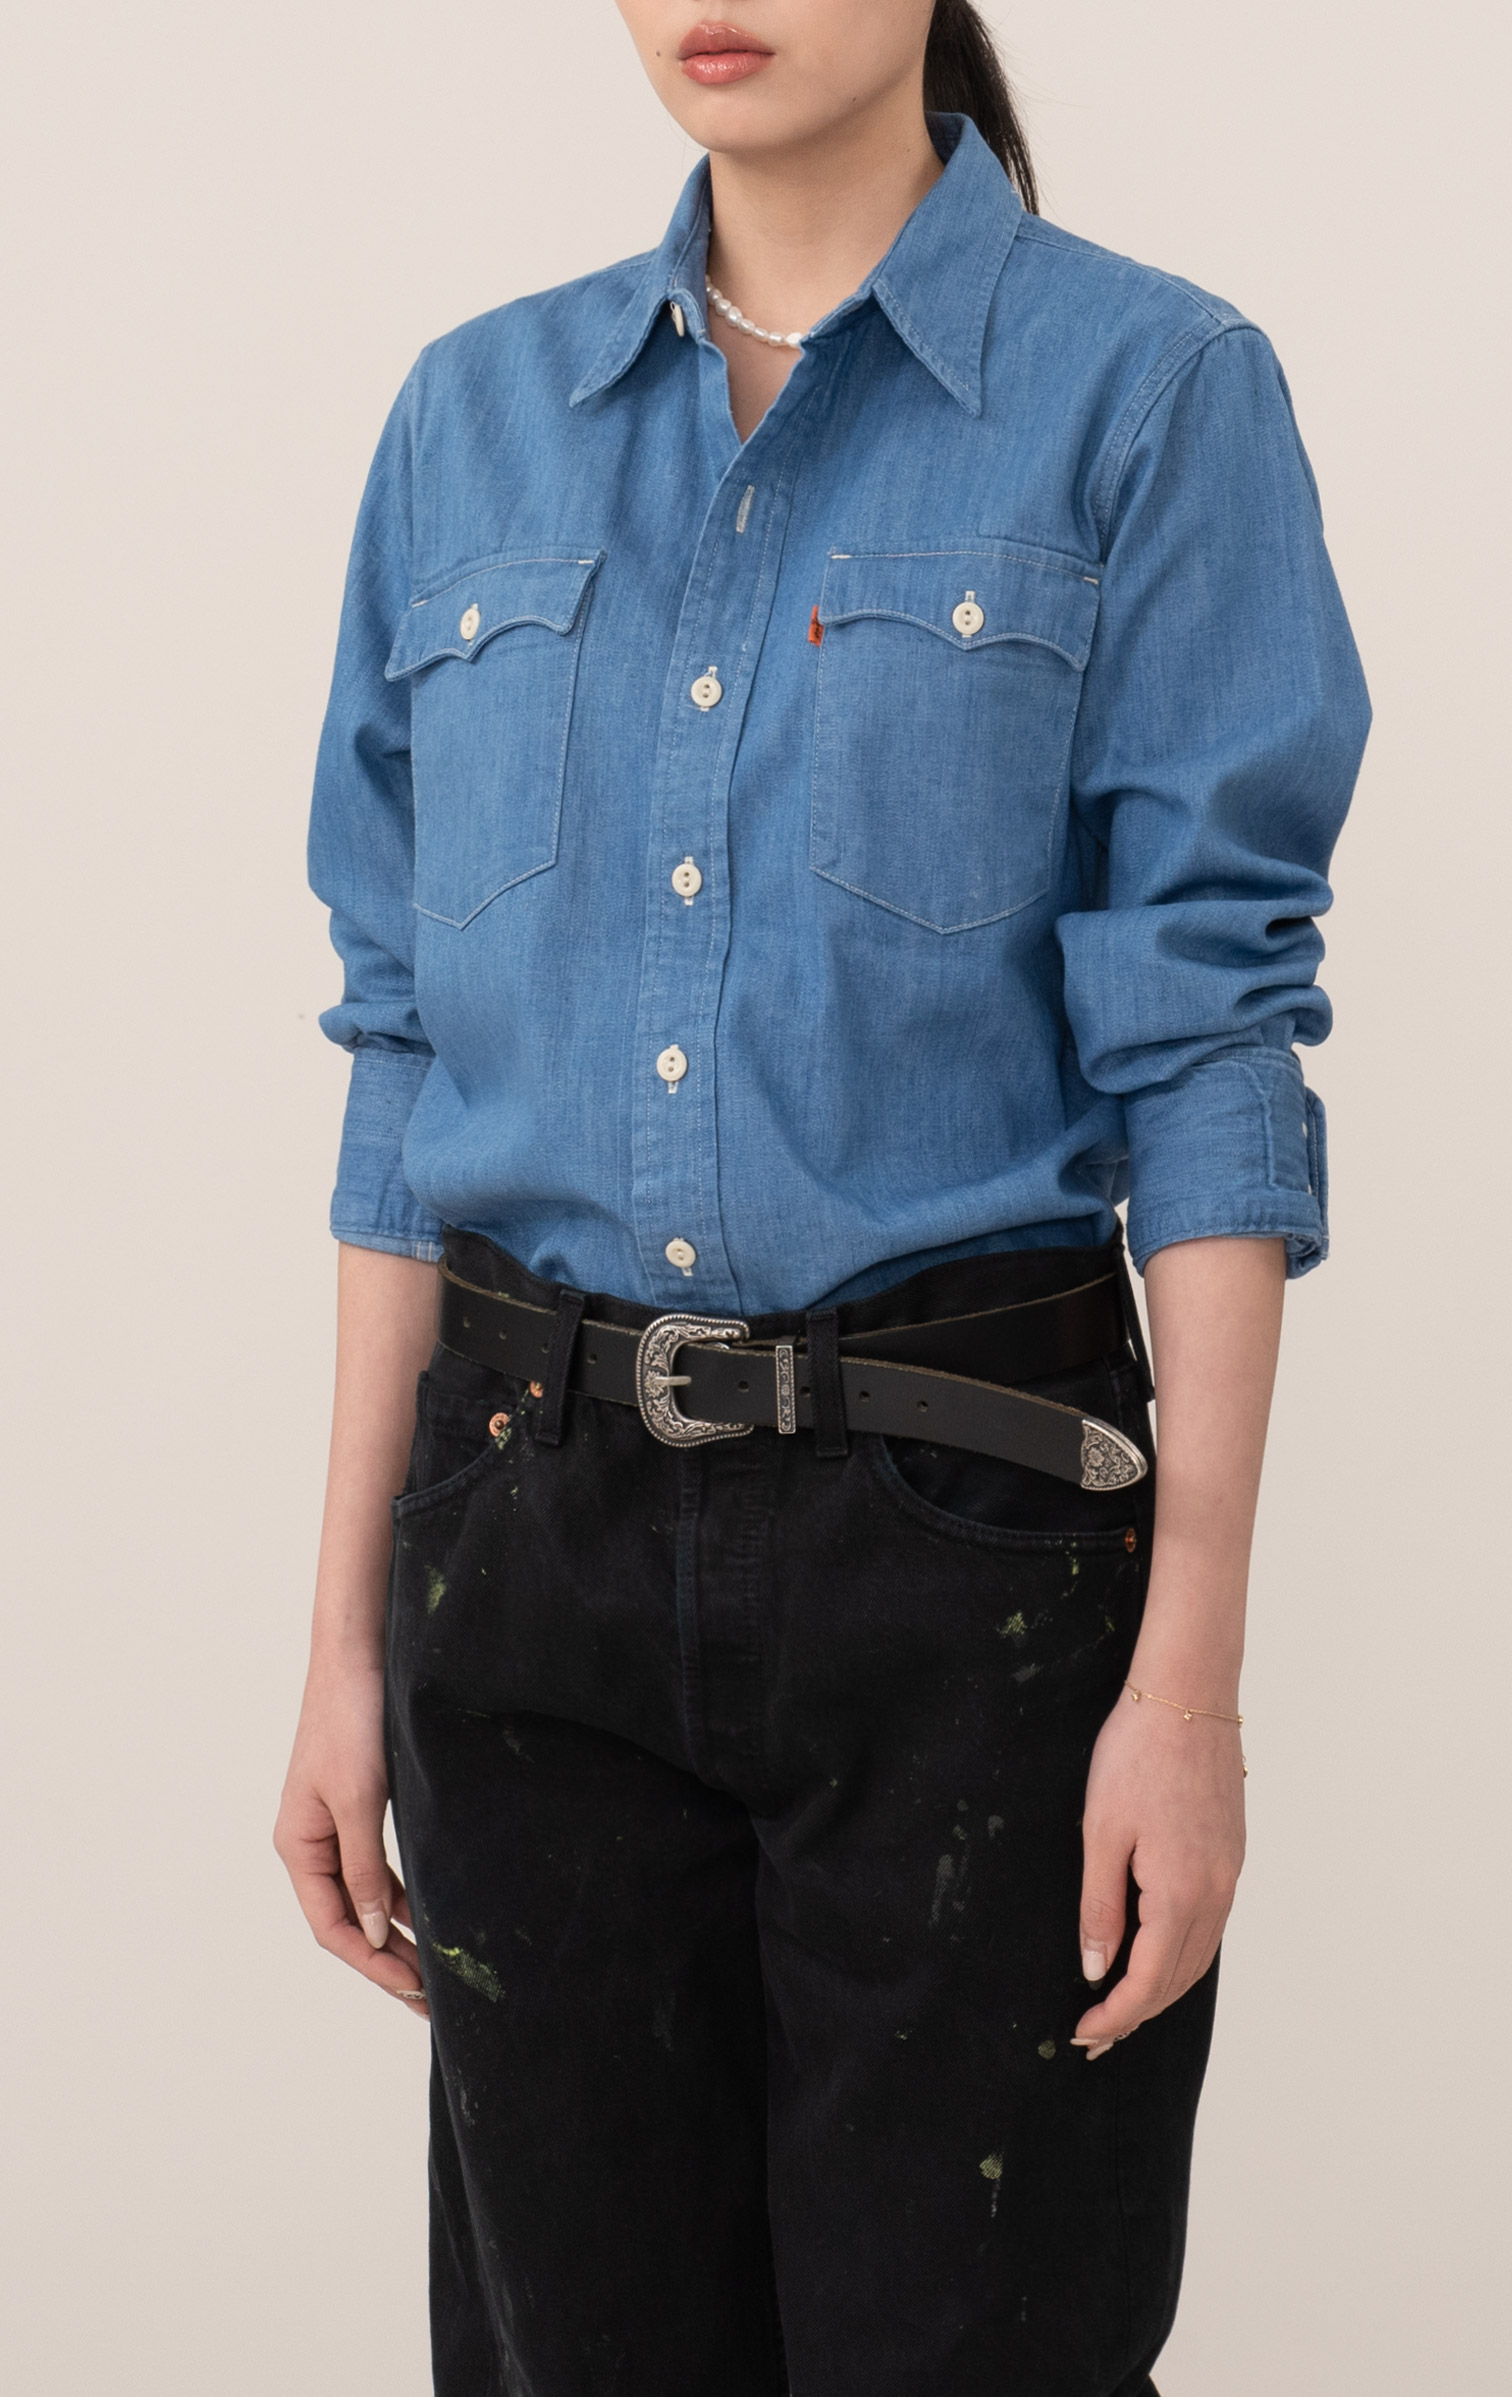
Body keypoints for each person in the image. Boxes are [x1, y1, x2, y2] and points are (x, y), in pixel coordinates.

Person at [275, 4, 1369, 2391]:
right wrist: (343, 1641)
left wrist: (1185, 1685)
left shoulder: (1147, 393)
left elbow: (1204, 1047)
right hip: (523, 1538)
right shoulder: (471, 421)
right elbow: (402, 1056)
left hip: (964, 1558)